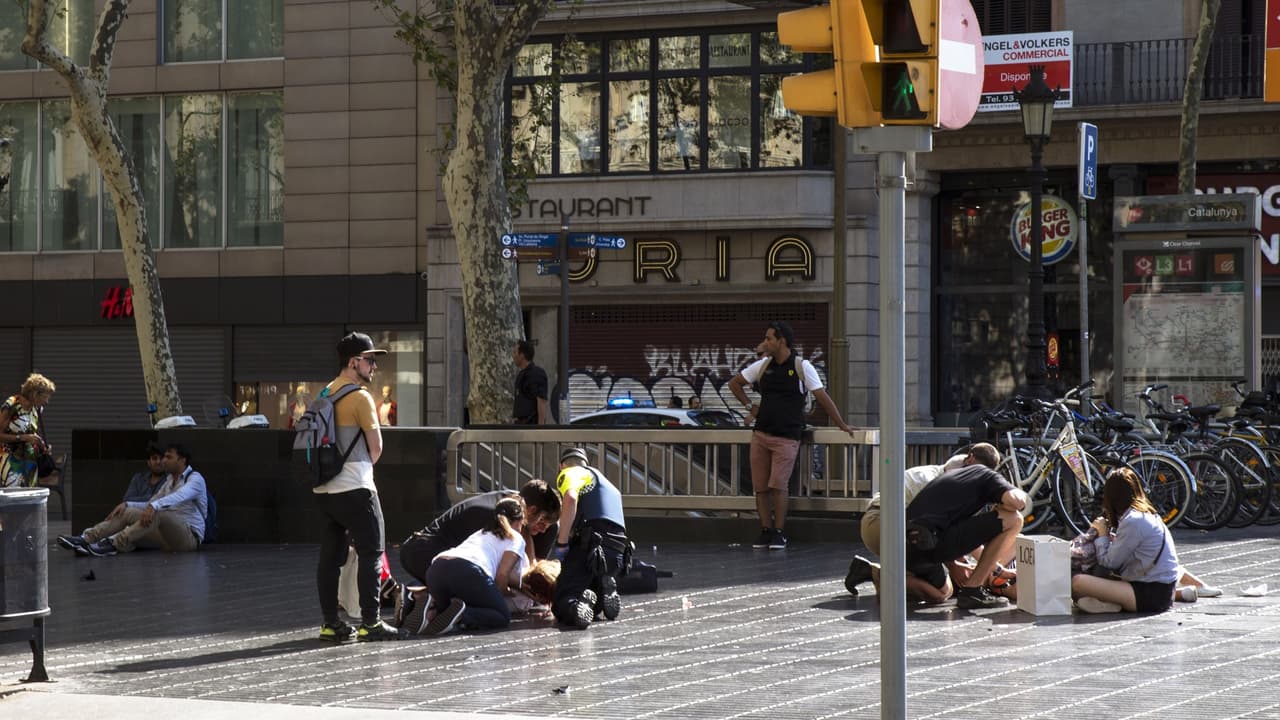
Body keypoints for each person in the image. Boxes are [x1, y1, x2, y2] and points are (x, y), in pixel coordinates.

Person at [728, 321, 856, 550]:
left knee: (778, 484)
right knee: (760, 487)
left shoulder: (801, 366)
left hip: (787, 436)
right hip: (761, 433)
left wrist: (841, 424)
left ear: (782, 341)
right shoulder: (763, 365)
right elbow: (735, 383)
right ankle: (765, 530)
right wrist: (750, 407)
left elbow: (822, 396)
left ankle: (779, 532)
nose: (765, 343)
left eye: (769, 338)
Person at [314, 332, 401, 642]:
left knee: (330, 557)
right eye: (370, 360)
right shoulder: (361, 397)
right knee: (371, 551)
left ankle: (330, 623)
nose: (374, 366)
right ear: (353, 363)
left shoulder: (325, 392)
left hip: (324, 489)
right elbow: (376, 447)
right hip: (356, 486)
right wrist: (362, 468)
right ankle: (371, 622)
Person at [845, 443, 1001, 602]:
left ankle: (880, 574)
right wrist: (954, 566)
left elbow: (962, 536)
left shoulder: (939, 476)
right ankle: (876, 574)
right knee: (941, 592)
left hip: (881, 522)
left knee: (947, 576)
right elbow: (930, 531)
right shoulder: (936, 483)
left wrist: (997, 569)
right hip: (884, 524)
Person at [900, 460, 1028, 609]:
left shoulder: (955, 482)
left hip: (905, 547)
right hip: (927, 545)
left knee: (944, 592)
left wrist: (998, 570)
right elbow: (1016, 502)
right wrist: (1020, 495)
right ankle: (973, 591)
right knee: (1015, 519)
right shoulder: (988, 476)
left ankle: (888, 579)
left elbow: (965, 537)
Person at [399, 479, 561, 585]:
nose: (543, 529)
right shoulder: (497, 514)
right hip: (424, 549)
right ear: (530, 510)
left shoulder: (542, 526)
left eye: (548, 525)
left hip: (443, 557)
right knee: (475, 589)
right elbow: (500, 573)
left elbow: (535, 569)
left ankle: (417, 594)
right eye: (541, 523)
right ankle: (418, 597)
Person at [411, 497, 528, 636]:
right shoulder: (515, 537)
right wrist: (504, 592)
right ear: (519, 521)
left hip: (436, 569)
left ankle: (429, 610)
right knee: (501, 616)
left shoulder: (481, 532)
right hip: (468, 571)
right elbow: (502, 574)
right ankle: (463, 614)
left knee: (446, 611)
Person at [1071, 467, 1181, 614]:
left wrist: (1102, 534)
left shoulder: (1132, 521)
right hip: (1162, 589)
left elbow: (1108, 562)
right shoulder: (1147, 513)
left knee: (1077, 583)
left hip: (1150, 595)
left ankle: (1108, 604)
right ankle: (1182, 593)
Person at [76, 444, 208, 556]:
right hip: (167, 540)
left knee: (158, 513)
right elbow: (150, 503)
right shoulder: (169, 481)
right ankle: (86, 538)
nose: (163, 461)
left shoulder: (195, 479)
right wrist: (126, 504)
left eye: (169, 457)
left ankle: (113, 544)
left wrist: (154, 506)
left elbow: (180, 495)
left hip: (189, 538)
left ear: (182, 460)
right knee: (127, 512)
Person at [551, 447, 628, 629]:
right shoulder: (607, 484)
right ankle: (602, 591)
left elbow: (570, 498)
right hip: (617, 552)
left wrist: (562, 543)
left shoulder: (571, 472)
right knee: (590, 599)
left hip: (592, 546)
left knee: (562, 600)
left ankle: (574, 605)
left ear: (561, 466)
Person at [57, 442, 168, 552]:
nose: (158, 462)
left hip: (155, 531)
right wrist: (129, 503)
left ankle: (89, 541)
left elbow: (155, 501)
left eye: (161, 458)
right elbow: (127, 498)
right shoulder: (139, 478)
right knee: (124, 529)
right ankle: (88, 544)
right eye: (154, 458)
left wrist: (130, 504)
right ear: (149, 462)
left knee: (126, 515)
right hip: (134, 529)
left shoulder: (169, 481)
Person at [0, 373, 55, 488]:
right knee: (13, 495)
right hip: (11, 460)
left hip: (30, 461)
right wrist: (23, 438)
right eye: (45, 397)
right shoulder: (12, 405)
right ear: (35, 394)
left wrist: (42, 446)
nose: (47, 401)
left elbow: (31, 433)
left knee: (30, 496)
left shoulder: (36, 409)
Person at [512, 339, 550, 425]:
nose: (513, 356)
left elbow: (541, 401)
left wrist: (540, 428)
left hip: (531, 425)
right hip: (520, 425)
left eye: (515, 352)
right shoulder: (521, 375)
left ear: (522, 355)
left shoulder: (537, 374)